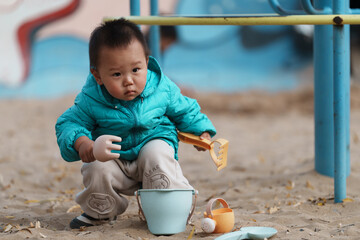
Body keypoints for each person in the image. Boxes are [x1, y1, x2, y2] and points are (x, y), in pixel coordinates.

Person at [55, 18, 216, 229]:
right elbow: (68, 123)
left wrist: (201, 131)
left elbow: (185, 109)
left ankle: (165, 209)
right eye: (116, 74)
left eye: (136, 70)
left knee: (157, 153)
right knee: (95, 167)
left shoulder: (161, 87)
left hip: (152, 148)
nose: (128, 80)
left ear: (146, 62)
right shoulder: (91, 98)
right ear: (98, 75)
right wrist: (84, 144)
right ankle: (102, 211)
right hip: (115, 159)